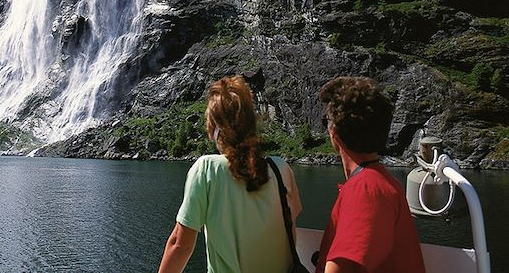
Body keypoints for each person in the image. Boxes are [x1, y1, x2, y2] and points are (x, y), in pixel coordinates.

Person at [158, 75, 302, 273]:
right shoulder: (281, 168)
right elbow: (294, 214)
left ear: (214, 128)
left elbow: (180, 245)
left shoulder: (206, 169)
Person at [316, 76, 425, 273]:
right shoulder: (377, 181)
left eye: (327, 121)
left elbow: (345, 267)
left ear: (334, 134)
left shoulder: (366, 190)